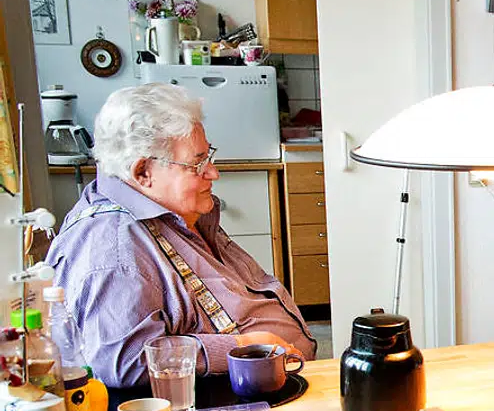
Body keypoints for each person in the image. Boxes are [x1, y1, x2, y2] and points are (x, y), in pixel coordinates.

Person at [46, 83, 315, 389]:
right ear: (143, 172)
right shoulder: (113, 245)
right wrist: (241, 346)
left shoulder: (169, 210)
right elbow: (123, 361)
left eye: (208, 156)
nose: (213, 173)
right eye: (197, 163)